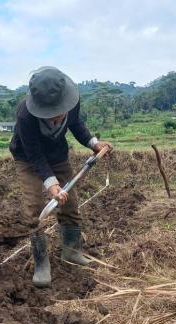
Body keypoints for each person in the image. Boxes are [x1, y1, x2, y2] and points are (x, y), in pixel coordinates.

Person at [9, 66, 112, 288]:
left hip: (57, 155)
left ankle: (72, 251)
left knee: (70, 202)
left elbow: (76, 125)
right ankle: (41, 262)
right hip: (28, 159)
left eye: (59, 111)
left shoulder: (72, 102)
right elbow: (34, 154)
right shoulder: (25, 115)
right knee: (35, 208)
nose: (56, 118)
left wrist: (94, 143)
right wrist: (51, 184)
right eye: (50, 113)